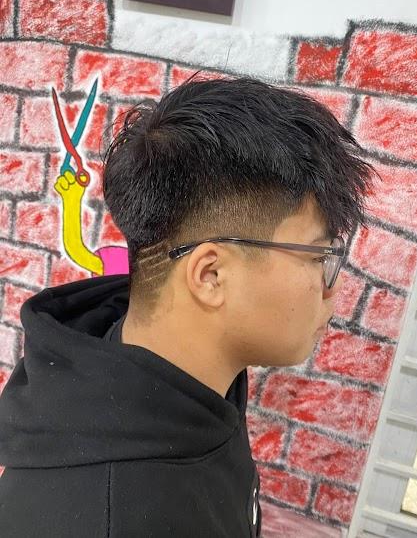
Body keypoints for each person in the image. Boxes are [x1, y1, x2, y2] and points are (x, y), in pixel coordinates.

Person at [0, 76, 373, 537]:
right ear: (210, 275)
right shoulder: (105, 516)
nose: (333, 287)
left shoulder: (196, 381)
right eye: (319, 256)